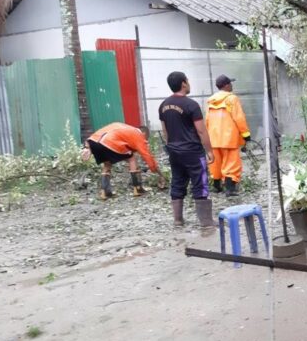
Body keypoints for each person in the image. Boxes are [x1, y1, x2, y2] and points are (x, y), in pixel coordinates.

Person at [159, 71, 215, 228]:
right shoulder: (191, 105)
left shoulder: (163, 105)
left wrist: (171, 148)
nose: (189, 83)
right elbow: (201, 131)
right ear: (183, 83)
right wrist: (209, 150)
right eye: (188, 81)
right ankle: (206, 222)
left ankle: (178, 220)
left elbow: (165, 132)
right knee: (200, 183)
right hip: (192, 151)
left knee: (177, 181)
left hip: (174, 151)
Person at [81, 122, 166, 200]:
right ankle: (137, 188)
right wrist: (159, 174)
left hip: (94, 143)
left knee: (107, 164)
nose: (145, 141)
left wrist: (87, 147)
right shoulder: (138, 134)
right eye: (146, 139)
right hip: (110, 142)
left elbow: (101, 134)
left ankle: (105, 192)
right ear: (144, 133)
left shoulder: (125, 128)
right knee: (132, 159)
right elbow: (147, 156)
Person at [205, 74, 250, 197]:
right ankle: (230, 189)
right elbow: (239, 118)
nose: (232, 85)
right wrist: (246, 134)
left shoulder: (210, 101)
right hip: (229, 138)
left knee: (216, 162)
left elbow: (207, 120)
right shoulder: (232, 99)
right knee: (231, 162)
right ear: (226, 85)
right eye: (230, 83)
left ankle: (216, 186)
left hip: (213, 137)